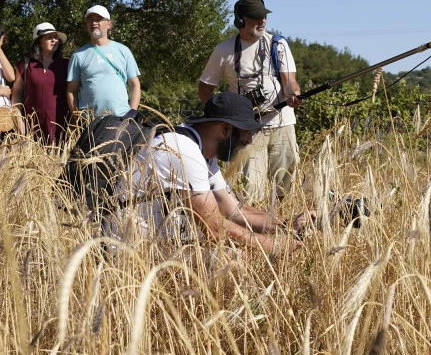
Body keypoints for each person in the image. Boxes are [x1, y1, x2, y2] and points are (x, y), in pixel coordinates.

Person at [119, 92, 311, 257]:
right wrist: (272, 246)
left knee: (235, 252)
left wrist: (288, 226)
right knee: (232, 258)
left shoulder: (202, 151)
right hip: (132, 249)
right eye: (247, 132)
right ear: (226, 129)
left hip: (156, 242)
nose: (250, 140)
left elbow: (236, 212)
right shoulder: (183, 151)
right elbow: (213, 227)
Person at [198, 0, 302, 203]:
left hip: (282, 123)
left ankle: (286, 227)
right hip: (247, 131)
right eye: (256, 17)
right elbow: (205, 88)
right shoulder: (224, 50)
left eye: (264, 16)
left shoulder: (278, 44)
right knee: (249, 191)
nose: (262, 21)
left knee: (287, 186)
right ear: (240, 20)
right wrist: (221, 119)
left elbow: (289, 81)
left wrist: (294, 95)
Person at [67, 4, 141, 119]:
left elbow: (135, 85)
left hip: (121, 119)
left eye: (99, 19)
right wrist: (78, 119)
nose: (94, 23)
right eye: (90, 19)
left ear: (109, 24)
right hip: (91, 123)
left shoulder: (123, 50)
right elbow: (71, 91)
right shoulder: (78, 55)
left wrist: (131, 114)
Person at [15, 22, 70, 144]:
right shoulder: (26, 64)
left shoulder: (67, 65)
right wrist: (18, 117)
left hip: (61, 127)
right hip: (32, 126)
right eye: (49, 37)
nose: (54, 40)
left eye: (55, 37)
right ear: (38, 41)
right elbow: (17, 92)